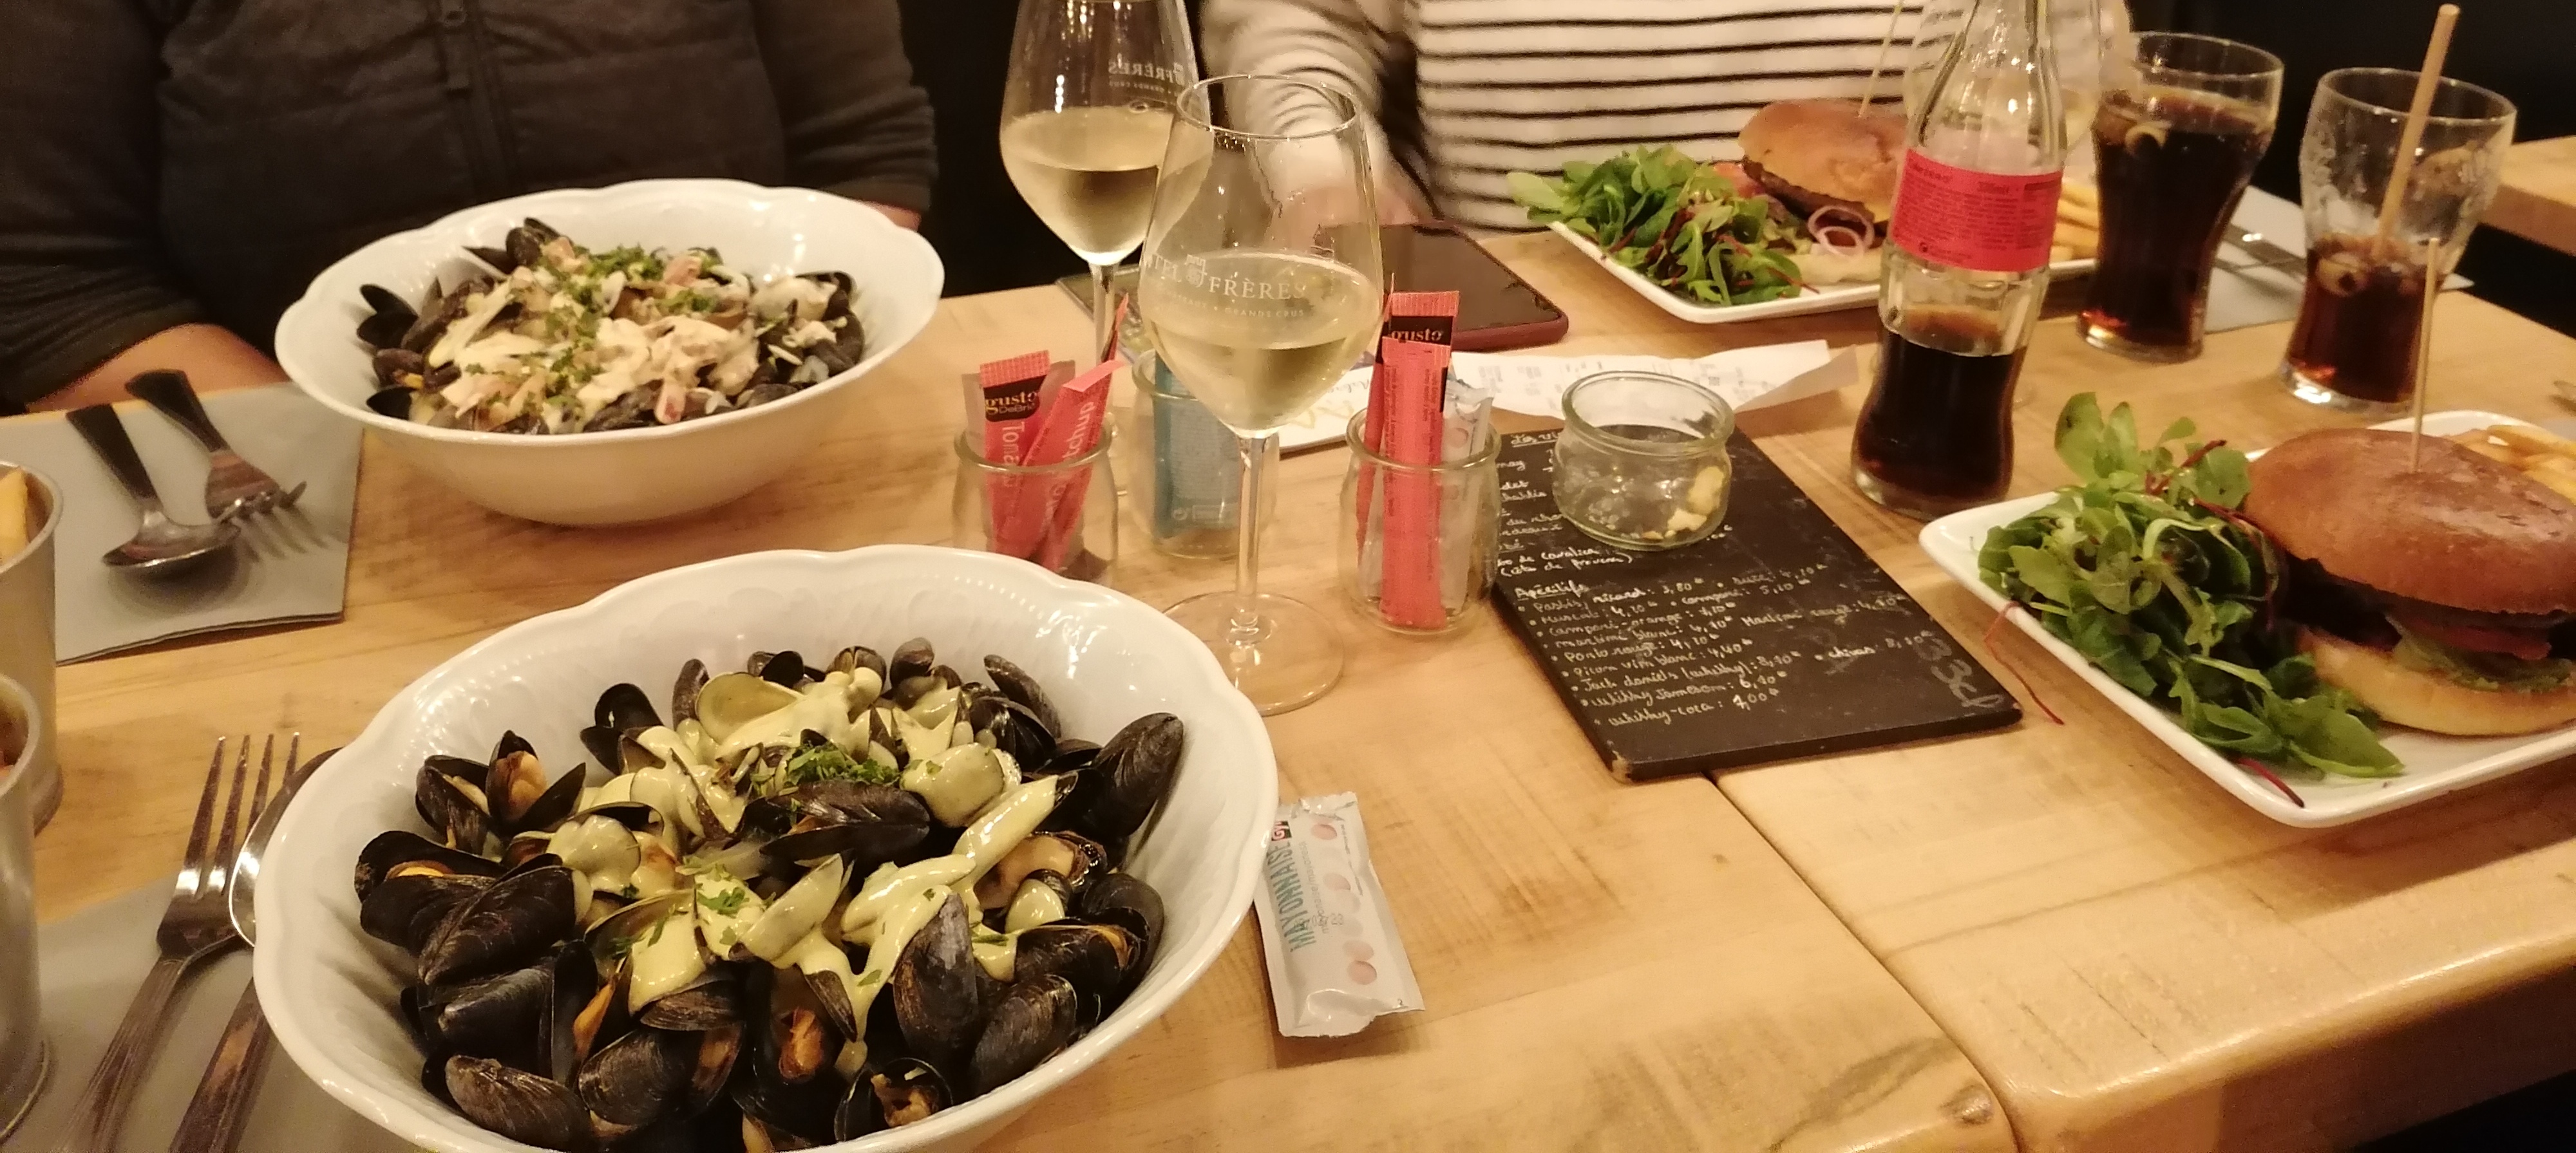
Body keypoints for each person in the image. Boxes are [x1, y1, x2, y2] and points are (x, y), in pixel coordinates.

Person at [0, 0, 937, 414]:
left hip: (772, 448)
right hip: (316, 503)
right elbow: (56, 291)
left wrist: (775, 383)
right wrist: (372, 447)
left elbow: (861, 157)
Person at [1202, 0, 2119, 230]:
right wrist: (1322, 164)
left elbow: (2066, 98)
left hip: (1887, 359)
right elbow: (1304, 14)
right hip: (1506, 351)